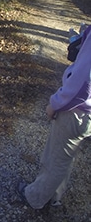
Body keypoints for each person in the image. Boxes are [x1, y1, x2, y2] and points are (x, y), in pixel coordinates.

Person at [17, 24, 91, 208]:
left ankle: (34, 198)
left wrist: (54, 104)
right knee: (65, 158)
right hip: (84, 114)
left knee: (56, 159)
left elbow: (82, 85)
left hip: (76, 112)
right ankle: (53, 196)